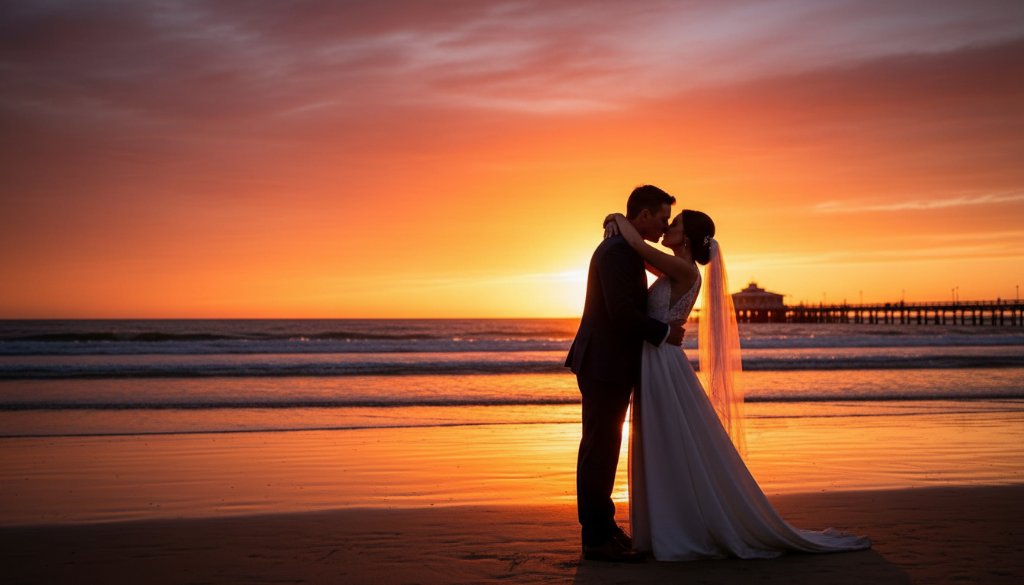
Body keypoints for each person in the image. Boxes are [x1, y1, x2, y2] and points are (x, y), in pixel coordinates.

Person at [604, 209, 871, 561]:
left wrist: (616, 217)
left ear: (686, 236)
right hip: (658, 360)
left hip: (663, 364)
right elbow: (644, 257)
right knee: (666, 440)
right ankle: (669, 524)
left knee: (668, 439)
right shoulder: (676, 268)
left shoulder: (684, 270)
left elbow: (638, 246)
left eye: (676, 223)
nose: (668, 227)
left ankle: (676, 527)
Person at [565, 185, 685, 562]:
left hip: (609, 362)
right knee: (598, 449)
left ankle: (605, 527)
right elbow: (621, 313)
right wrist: (665, 334)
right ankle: (596, 539)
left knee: (605, 447)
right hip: (604, 362)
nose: (665, 226)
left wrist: (616, 218)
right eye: (663, 218)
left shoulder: (625, 248)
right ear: (645, 216)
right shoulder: (618, 252)